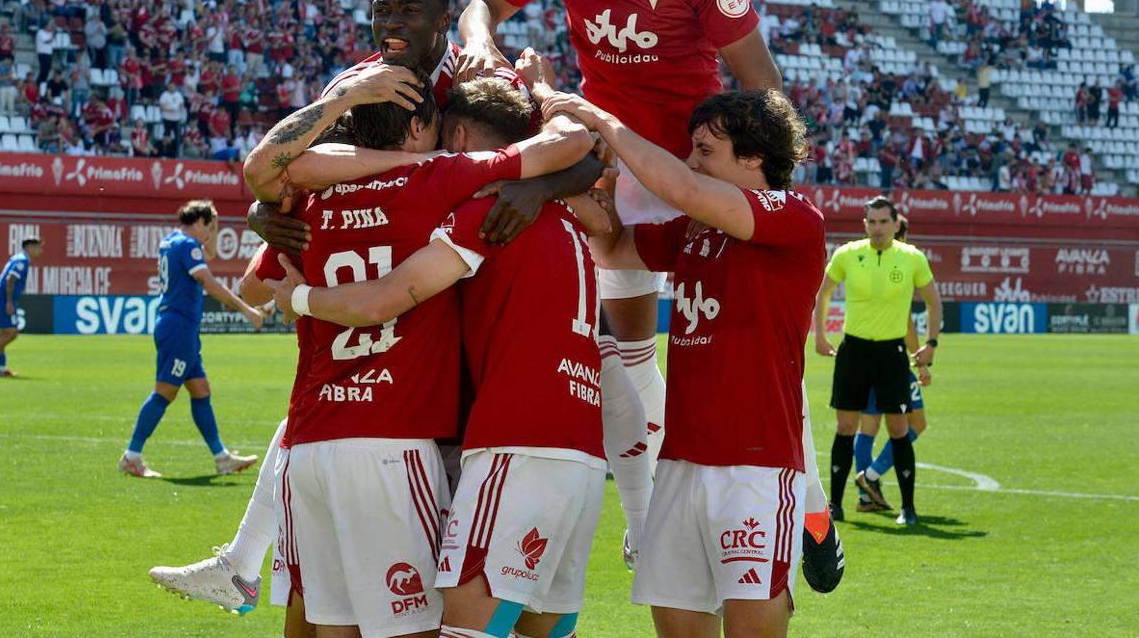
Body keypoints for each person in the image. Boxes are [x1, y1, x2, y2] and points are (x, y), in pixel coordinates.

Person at [260, 70, 651, 638]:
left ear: (461, 139)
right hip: (581, 457)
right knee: (546, 624)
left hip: (507, 445)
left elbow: (386, 296)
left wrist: (297, 296)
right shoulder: (571, 222)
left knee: (448, 623)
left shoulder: (490, 208)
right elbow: (614, 374)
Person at [456, 0, 781, 473]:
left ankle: (806, 505)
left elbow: (762, 85)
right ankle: (645, 516)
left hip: (691, 170)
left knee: (734, 348)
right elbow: (481, 7)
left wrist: (756, 191)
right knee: (628, 353)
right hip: (614, 165)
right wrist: (483, 44)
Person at [542, 87, 825, 637]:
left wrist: (599, 115)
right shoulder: (695, 229)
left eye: (704, 150)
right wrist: (567, 167)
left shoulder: (793, 218)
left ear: (754, 158)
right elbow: (612, 245)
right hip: (678, 464)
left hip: (756, 468)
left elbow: (680, 186)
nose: (691, 160)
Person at [813, 196, 943, 526]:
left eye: (884, 222)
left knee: (899, 429)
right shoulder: (847, 254)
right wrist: (820, 336)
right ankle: (836, 506)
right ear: (865, 224)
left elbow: (933, 302)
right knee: (845, 427)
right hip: (853, 351)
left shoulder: (912, 258)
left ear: (896, 224)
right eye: (872, 222)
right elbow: (823, 292)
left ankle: (908, 508)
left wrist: (931, 344)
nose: (877, 228)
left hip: (892, 354)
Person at [118, 200, 266, 479]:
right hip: (179, 327)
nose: (210, 233)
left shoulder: (172, 242)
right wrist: (247, 309)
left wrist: (213, 227)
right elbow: (209, 282)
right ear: (199, 222)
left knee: (200, 389)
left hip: (179, 326)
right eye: (209, 227)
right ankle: (131, 456)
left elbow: (207, 255)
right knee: (165, 391)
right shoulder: (187, 245)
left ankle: (222, 458)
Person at [852, 216, 931, 512]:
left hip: (864, 356)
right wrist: (919, 361)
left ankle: (864, 497)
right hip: (892, 358)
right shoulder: (899, 266)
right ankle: (870, 477)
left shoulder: (873, 264)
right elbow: (907, 323)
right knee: (916, 424)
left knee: (867, 428)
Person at [0, 238, 44, 378]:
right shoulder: (22, 261)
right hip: (3, 299)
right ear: (30, 247)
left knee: (2, 335)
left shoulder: (18, 258)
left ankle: (2, 370)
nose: (40, 251)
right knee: (13, 333)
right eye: (39, 247)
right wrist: (9, 302)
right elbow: (10, 279)